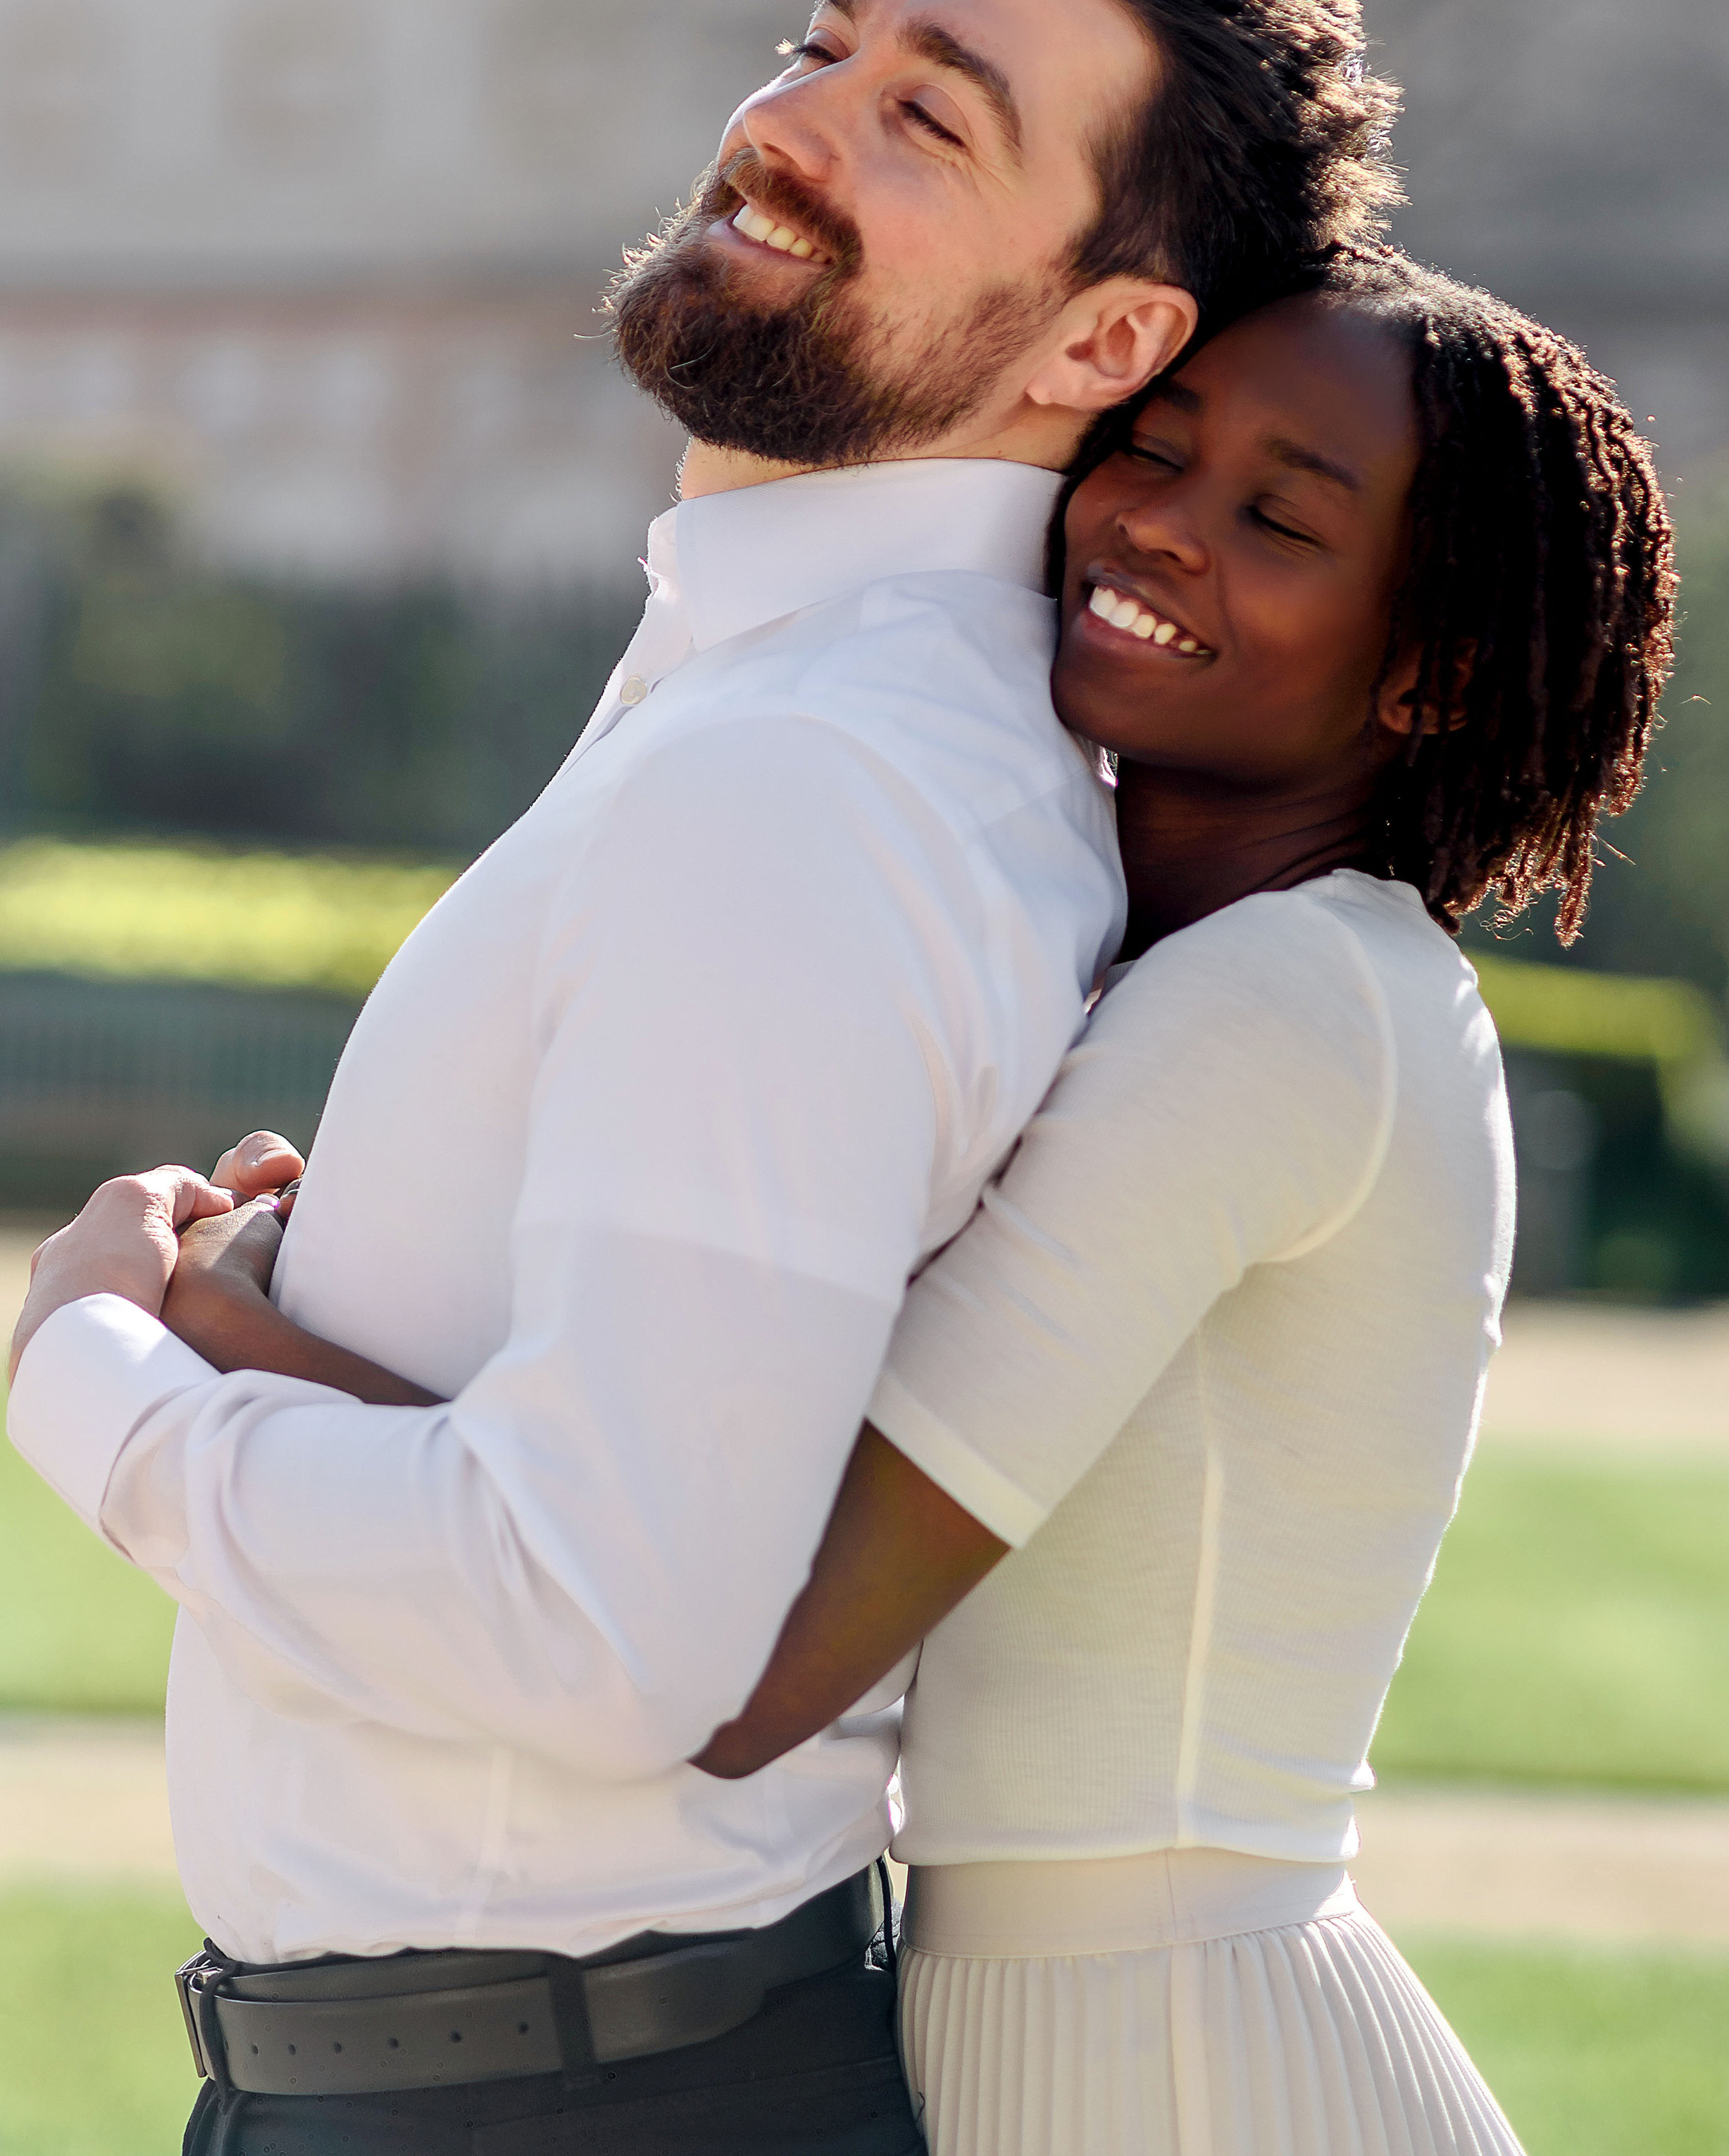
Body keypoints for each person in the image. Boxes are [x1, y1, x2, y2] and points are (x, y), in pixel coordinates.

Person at [4, 0, 1399, 2156]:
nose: (787, 122)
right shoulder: (787, 716)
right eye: (821, 46)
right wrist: (326, 1309)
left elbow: (604, 1627)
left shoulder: (820, 784)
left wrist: (98, 1384)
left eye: (924, 117)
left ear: (1110, 334)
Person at [688, 253, 1676, 2152]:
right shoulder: (1237, 972)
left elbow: (754, 1655)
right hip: (1109, 2030)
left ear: (1434, 666)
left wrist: (234, 1352)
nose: (1155, 519)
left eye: (1282, 516)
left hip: (1179, 2064)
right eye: (1154, 445)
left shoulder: (1279, 1008)